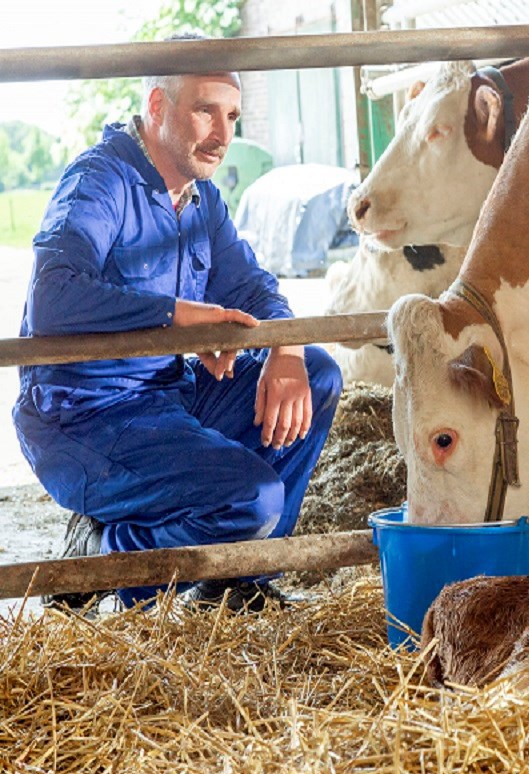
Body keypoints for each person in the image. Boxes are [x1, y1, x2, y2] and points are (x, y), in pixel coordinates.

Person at [13, 53, 342, 612]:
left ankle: (237, 578)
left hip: (168, 400)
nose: (223, 133)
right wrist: (183, 318)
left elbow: (254, 287)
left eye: (233, 115)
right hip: (85, 420)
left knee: (317, 370)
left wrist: (285, 346)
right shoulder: (101, 180)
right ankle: (104, 555)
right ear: (157, 105)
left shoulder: (201, 198)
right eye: (205, 111)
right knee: (252, 499)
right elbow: (53, 295)